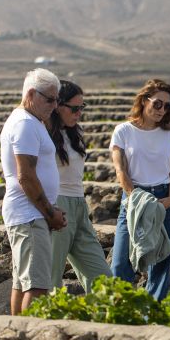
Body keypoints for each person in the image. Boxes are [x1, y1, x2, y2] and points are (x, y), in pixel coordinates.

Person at [0, 68, 67, 315]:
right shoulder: (24, 124)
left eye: (57, 99)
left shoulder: (31, 122)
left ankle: (17, 337)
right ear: (30, 94)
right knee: (38, 286)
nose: (54, 105)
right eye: (49, 99)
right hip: (29, 215)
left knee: (23, 282)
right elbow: (26, 176)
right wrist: (50, 213)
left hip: (30, 213)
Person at [109, 79, 170, 301]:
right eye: (158, 104)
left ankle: (153, 311)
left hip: (164, 198)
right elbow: (120, 169)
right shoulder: (123, 131)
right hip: (134, 197)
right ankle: (119, 309)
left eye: (167, 106)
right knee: (121, 259)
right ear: (144, 101)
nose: (162, 110)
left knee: (162, 258)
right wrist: (135, 197)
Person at [48, 80, 112, 293]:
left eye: (81, 108)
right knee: (50, 276)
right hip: (57, 203)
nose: (79, 113)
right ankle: (43, 323)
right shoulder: (44, 133)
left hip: (78, 203)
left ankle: (108, 320)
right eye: (74, 108)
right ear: (58, 106)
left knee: (103, 278)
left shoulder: (77, 133)